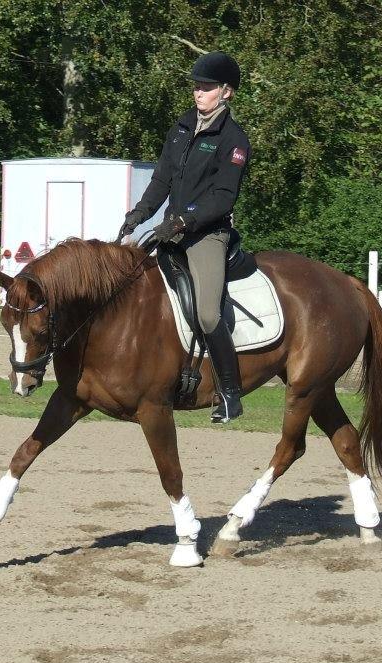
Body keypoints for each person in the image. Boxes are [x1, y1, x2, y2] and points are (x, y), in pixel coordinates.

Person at [117, 51, 251, 423]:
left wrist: (182, 223)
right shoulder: (180, 128)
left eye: (207, 87)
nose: (198, 92)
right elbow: (161, 180)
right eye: (196, 85)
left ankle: (229, 393)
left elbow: (223, 197)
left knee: (208, 313)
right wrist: (138, 215)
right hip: (169, 232)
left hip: (207, 236)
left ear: (226, 93)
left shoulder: (234, 140)